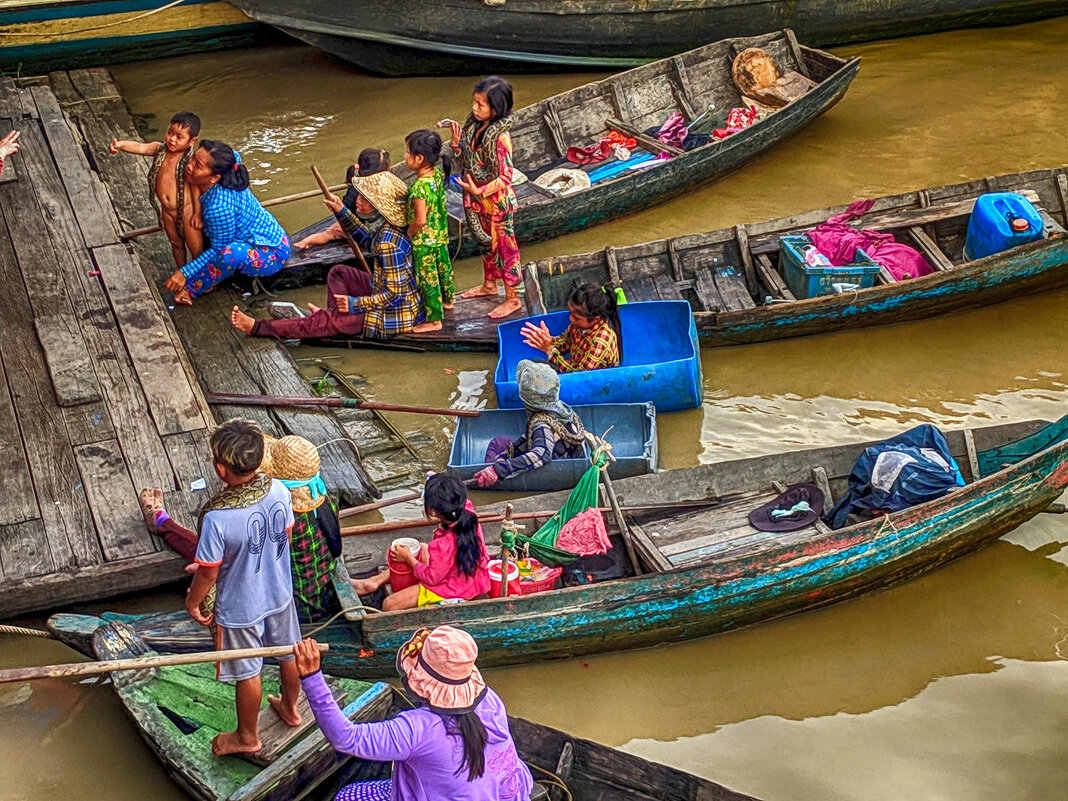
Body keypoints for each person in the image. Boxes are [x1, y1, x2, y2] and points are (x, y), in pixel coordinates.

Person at [293, 625, 534, 801]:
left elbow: (347, 738)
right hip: (511, 792)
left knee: (347, 796)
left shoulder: (417, 729)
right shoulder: (490, 698)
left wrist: (312, 678)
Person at [183, 419, 302, 757]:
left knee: (248, 670)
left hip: (240, 606)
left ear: (221, 469)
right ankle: (292, 709)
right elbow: (284, 537)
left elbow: (207, 574)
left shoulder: (217, 519)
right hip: (279, 592)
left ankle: (247, 736)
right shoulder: (279, 490)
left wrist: (194, 603)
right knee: (288, 652)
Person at [138, 434, 340, 624]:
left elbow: (241, 562)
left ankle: (161, 522)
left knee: (209, 550)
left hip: (284, 604)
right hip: (318, 590)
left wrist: (205, 576)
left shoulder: (276, 516)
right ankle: (163, 523)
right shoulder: (327, 501)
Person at [230, 169, 421, 341]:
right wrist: (341, 211)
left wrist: (355, 304)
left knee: (323, 323)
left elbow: (395, 296)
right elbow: (367, 240)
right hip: (385, 292)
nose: (358, 201)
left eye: (365, 199)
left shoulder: (389, 244)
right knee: (338, 272)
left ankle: (258, 327)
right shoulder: (390, 227)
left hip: (394, 315)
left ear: (379, 207)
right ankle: (333, 317)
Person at [165, 140, 290, 305]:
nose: (189, 165)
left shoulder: (218, 207)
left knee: (231, 254)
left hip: (271, 251)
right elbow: (235, 155)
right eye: (193, 158)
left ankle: (192, 290)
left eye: (198, 165)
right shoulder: (230, 164)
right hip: (239, 233)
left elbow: (219, 249)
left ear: (214, 178)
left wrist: (185, 273)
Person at [350, 474, 489, 611]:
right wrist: (437, 480)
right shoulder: (467, 510)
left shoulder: (443, 545)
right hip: (470, 577)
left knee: (389, 604)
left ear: (432, 512)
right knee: (422, 547)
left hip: (455, 588)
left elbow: (432, 578)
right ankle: (374, 582)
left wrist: (408, 558)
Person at [448, 76, 523, 320]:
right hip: (476, 198)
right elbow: (468, 158)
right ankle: (489, 285)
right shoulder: (475, 127)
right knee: (484, 244)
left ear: (496, 108)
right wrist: (458, 146)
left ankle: (513, 299)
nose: (474, 108)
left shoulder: (500, 137)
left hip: (496, 202)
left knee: (505, 249)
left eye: (481, 105)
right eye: (475, 102)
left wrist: (480, 191)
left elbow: (506, 176)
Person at [110, 111, 204, 269]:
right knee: (176, 245)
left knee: (196, 250)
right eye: (169, 133)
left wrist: (197, 214)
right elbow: (140, 147)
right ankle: (181, 273)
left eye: (179, 137)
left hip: (188, 212)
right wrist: (120, 145)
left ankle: (201, 278)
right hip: (166, 212)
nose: (171, 139)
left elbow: (196, 189)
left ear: (192, 141)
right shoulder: (159, 150)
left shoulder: (190, 161)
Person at [474, 360, 587, 488]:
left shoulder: (541, 425)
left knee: (496, 446)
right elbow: (529, 438)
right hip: (560, 449)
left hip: (557, 466)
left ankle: (488, 481)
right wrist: (505, 456)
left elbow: (542, 454)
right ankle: (494, 468)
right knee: (500, 443)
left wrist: (499, 469)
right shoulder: (561, 408)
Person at [405, 130, 455, 334]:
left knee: (428, 279)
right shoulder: (437, 175)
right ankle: (448, 300)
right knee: (444, 269)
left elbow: (420, 219)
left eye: (408, 153)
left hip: (424, 240)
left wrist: (409, 233)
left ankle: (434, 320)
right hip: (440, 234)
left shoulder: (419, 187)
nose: (405, 157)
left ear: (419, 158)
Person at [293, 148, 391, 251]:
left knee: (328, 234)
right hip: (360, 225)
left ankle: (306, 241)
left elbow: (346, 205)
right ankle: (307, 241)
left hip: (354, 219)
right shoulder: (370, 189)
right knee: (334, 233)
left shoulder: (355, 185)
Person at [520, 282, 620, 373]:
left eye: (576, 317)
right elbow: (565, 342)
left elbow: (577, 376)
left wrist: (549, 350)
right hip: (572, 368)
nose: (570, 319)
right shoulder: (577, 325)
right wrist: (548, 341)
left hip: (591, 382)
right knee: (530, 367)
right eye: (570, 313)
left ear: (596, 319)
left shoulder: (600, 342)